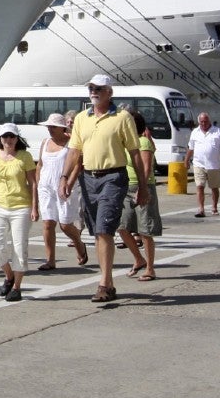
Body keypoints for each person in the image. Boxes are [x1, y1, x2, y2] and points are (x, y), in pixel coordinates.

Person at [60, 75, 147, 305]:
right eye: (91, 88)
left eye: (98, 88)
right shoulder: (81, 118)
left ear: (109, 92)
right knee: (97, 232)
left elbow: (135, 154)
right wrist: (64, 177)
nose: (94, 91)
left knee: (104, 230)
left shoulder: (122, 117)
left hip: (113, 177)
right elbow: (74, 151)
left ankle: (104, 283)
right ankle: (108, 282)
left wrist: (144, 186)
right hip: (88, 178)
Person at [0, 124, 37, 301]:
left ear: (17, 138)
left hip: (21, 207)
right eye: (5, 137)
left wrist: (34, 206)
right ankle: (8, 275)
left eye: (11, 136)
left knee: (19, 248)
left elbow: (33, 183)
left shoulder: (25, 157)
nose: (8, 140)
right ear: (0, 139)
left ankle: (17, 287)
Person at [35, 112, 88, 271]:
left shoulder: (71, 143)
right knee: (48, 223)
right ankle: (50, 260)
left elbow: (78, 165)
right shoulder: (45, 143)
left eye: (53, 127)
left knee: (65, 224)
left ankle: (79, 244)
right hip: (46, 187)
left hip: (65, 187)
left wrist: (69, 184)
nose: (50, 129)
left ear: (61, 128)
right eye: (48, 126)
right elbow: (40, 165)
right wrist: (39, 185)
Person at [118, 112, 162, 280]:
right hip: (126, 188)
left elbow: (145, 167)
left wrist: (142, 188)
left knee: (145, 230)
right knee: (121, 227)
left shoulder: (143, 142)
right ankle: (139, 259)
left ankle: (150, 268)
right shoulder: (126, 144)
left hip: (143, 187)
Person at [186, 112, 220, 217]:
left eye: (205, 121)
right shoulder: (195, 132)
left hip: (213, 165)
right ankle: (201, 209)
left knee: (214, 187)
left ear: (209, 121)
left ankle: (214, 207)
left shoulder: (218, 132)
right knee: (200, 186)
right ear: (198, 122)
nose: (204, 123)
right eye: (201, 122)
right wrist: (186, 160)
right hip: (198, 164)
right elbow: (190, 148)